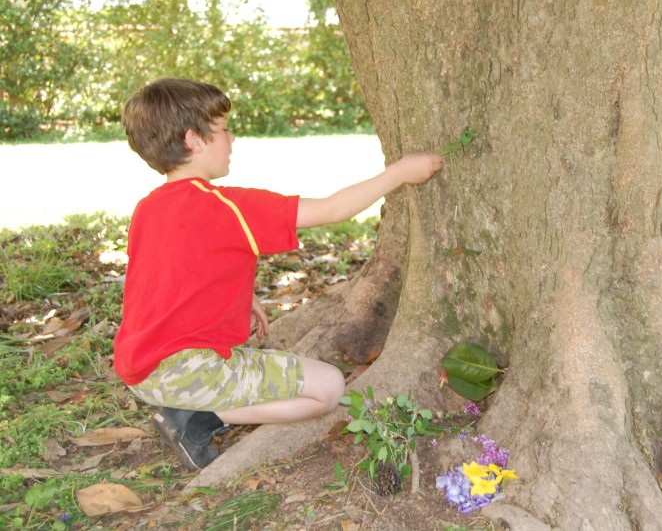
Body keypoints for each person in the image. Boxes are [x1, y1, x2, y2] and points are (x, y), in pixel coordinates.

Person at [113, 77, 443, 470]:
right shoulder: (227, 207)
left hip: (141, 370)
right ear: (193, 140)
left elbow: (170, 274)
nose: (232, 139)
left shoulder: (147, 209)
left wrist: (240, 296)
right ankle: (196, 418)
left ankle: (190, 407)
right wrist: (400, 173)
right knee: (329, 388)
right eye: (222, 130)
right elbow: (331, 209)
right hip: (191, 372)